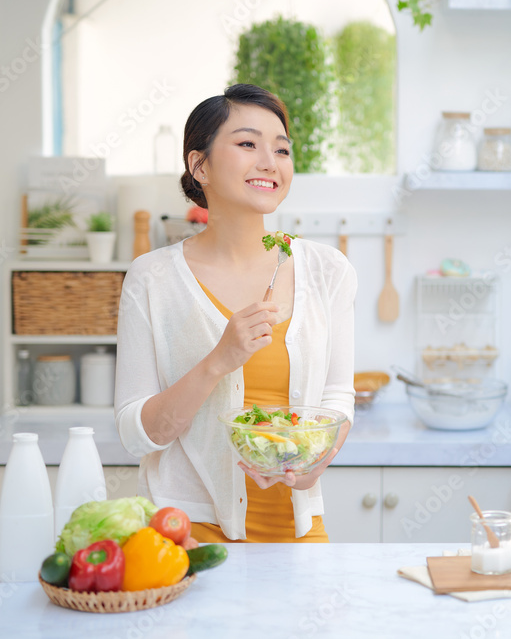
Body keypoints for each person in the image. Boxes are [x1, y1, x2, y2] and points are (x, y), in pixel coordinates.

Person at [115, 84, 356, 542]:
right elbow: (137, 435)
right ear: (199, 165)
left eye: (282, 149)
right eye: (247, 144)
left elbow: (338, 396)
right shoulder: (152, 279)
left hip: (299, 530)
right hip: (186, 535)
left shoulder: (328, 271)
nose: (270, 161)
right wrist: (218, 361)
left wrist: (315, 464)